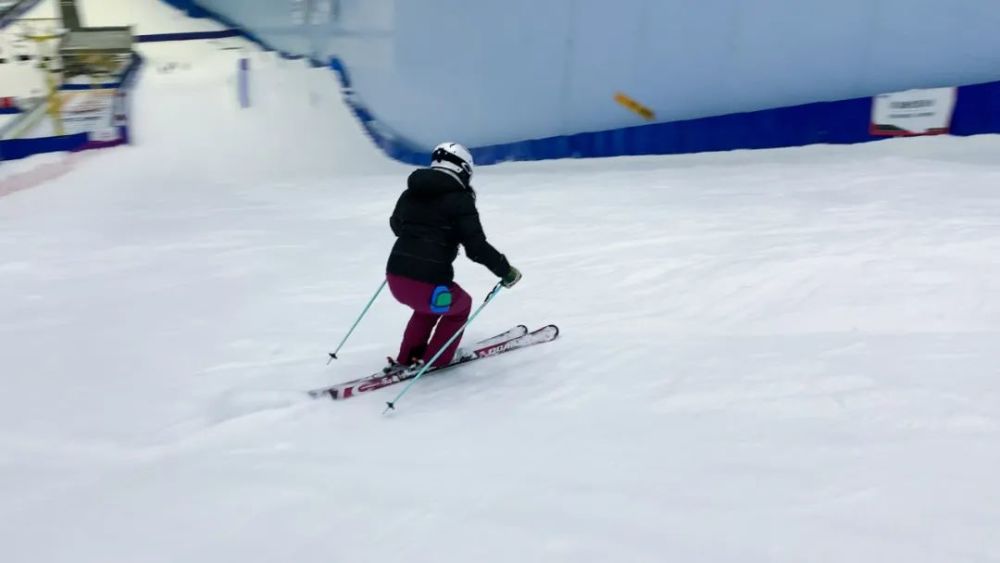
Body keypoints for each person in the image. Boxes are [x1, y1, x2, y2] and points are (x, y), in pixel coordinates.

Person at [385, 142, 521, 370]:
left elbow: (397, 226)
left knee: (428, 309)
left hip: (395, 277)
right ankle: (437, 360)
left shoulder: (411, 193)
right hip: (428, 285)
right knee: (461, 306)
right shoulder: (460, 200)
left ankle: (408, 357)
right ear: (463, 169)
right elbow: (476, 247)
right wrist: (505, 271)